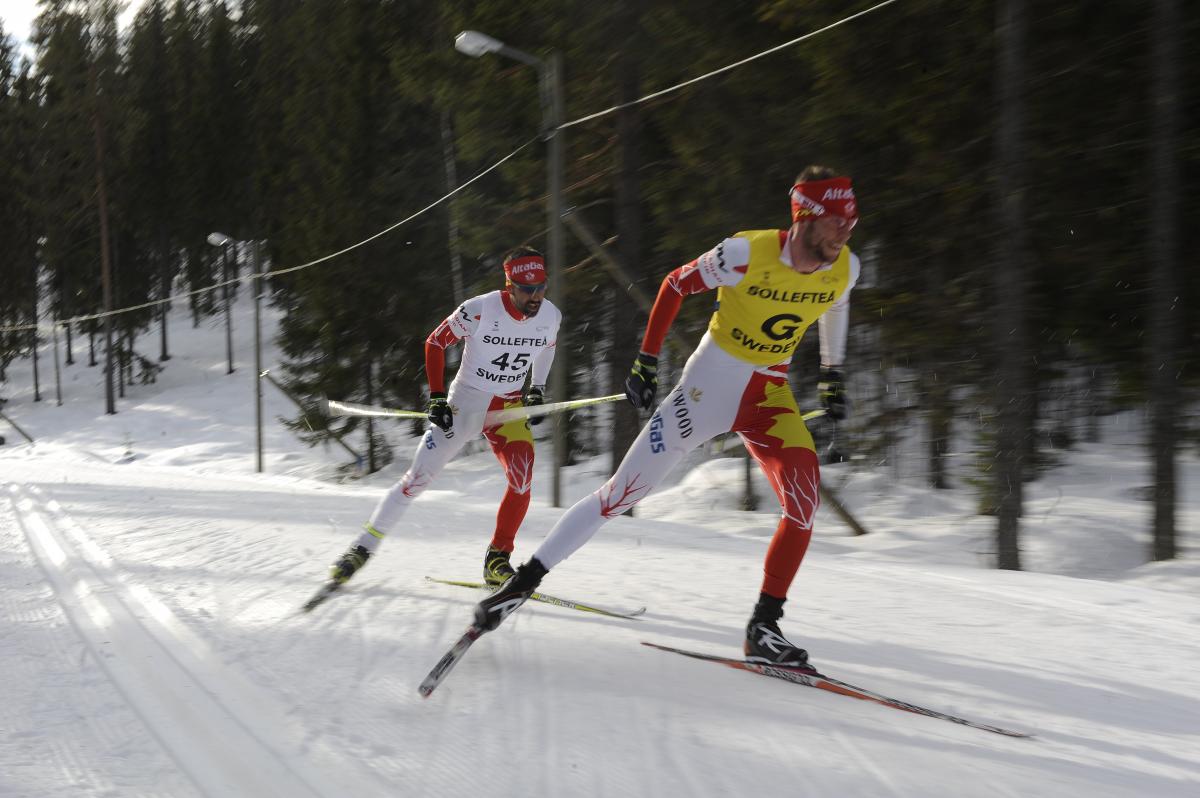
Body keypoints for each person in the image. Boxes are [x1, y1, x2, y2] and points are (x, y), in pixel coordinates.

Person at [473, 166, 860, 667]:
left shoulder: (845, 266)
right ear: (805, 216)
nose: (845, 230)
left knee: (804, 500)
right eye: (835, 221)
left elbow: (837, 304)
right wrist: (647, 361)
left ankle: (763, 628)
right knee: (620, 494)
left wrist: (832, 372)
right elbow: (676, 284)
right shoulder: (745, 253)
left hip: (769, 396)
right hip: (707, 389)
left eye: (851, 221)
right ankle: (520, 584)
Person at [327, 247, 562, 587]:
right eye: (527, 289)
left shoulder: (550, 315)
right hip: (465, 404)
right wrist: (437, 397)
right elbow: (435, 342)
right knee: (416, 480)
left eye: (541, 287)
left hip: (507, 407)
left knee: (522, 477)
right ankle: (361, 549)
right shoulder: (479, 310)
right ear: (509, 284)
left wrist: (537, 388)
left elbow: (548, 347)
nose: (536, 296)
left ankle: (497, 559)